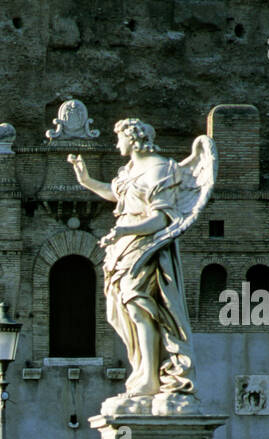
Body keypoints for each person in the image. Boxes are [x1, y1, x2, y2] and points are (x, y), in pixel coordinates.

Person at [67, 118, 215, 408]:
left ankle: (149, 376)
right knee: (120, 310)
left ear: (133, 138)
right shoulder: (131, 170)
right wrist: (86, 182)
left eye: (119, 137)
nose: (116, 143)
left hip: (147, 246)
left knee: (140, 306)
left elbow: (161, 218)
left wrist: (125, 230)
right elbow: (120, 195)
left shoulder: (162, 169)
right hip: (123, 248)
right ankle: (142, 371)